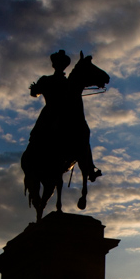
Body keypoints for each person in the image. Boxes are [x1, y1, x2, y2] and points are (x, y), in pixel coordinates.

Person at [28, 50, 101, 182]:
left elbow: (80, 85)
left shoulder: (66, 83)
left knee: (84, 132)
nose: (60, 66)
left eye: (62, 64)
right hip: (50, 113)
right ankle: (31, 160)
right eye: (58, 63)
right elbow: (35, 92)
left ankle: (89, 168)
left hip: (63, 114)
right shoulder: (47, 80)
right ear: (55, 65)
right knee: (36, 135)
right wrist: (35, 89)